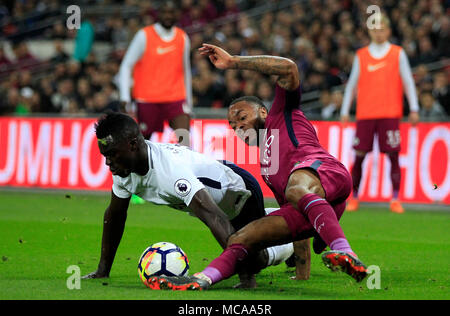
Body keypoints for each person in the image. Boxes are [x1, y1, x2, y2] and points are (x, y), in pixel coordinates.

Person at [146, 44, 368, 291]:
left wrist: (234, 62)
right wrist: (303, 273)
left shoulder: (282, 114)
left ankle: (345, 251)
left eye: (242, 117)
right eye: (233, 125)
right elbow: (295, 216)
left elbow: (288, 69)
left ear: (262, 111)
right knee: (242, 237)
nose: (238, 127)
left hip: (327, 173)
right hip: (313, 202)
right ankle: (202, 280)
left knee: (297, 189)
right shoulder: (268, 168)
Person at [81, 112, 308, 288]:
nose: (108, 163)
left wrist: (246, 276)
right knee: (245, 254)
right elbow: (115, 215)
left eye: (112, 155)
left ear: (132, 145)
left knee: (253, 260)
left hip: (239, 192)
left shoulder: (170, 171)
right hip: (216, 204)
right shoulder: (124, 172)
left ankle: (289, 234)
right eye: (105, 156)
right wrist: (103, 269)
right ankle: (275, 222)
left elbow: (214, 217)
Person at [340, 14, 420, 214]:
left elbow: (408, 81)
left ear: (388, 30)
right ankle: (354, 197)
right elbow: (351, 84)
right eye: (374, 28)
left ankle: (395, 198)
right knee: (359, 156)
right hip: (365, 114)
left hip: (389, 113)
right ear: (369, 31)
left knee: (393, 155)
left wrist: (414, 108)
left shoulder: (397, 53)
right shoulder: (361, 55)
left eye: (381, 28)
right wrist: (344, 110)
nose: (378, 32)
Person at [117, 1, 192, 147]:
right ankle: (141, 170)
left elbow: (186, 70)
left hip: (175, 97)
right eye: (165, 12)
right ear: (158, 14)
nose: (168, 16)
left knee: (185, 140)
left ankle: (182, 169)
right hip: (147, 98)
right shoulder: (144, 35)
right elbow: (126, 65)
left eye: (172, 12)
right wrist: (124, 97)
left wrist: (189, 102)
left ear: (177, 14)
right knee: (143, 143)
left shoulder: (182, 37)